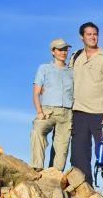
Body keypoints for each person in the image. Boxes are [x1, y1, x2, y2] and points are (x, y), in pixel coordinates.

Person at [69, 22, 103, 198]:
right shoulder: (75, 57)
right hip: (78, 112)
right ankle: (86, 190)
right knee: (78, 155)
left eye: (95, 34)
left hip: (101, 113)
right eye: (89, 34)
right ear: (81, 37)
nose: (92, 37)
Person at [31, 38, 74, 172]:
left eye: (65, 49)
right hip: (47, 111)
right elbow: (36, 92)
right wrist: (39, 112)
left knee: (62, 149)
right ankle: (37, 167)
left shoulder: (72, 71)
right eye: (60, 49)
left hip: (67, 114)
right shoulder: (44, 68)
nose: (63, 52)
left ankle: (53, 176)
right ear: (53, 51)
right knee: (37, 131)